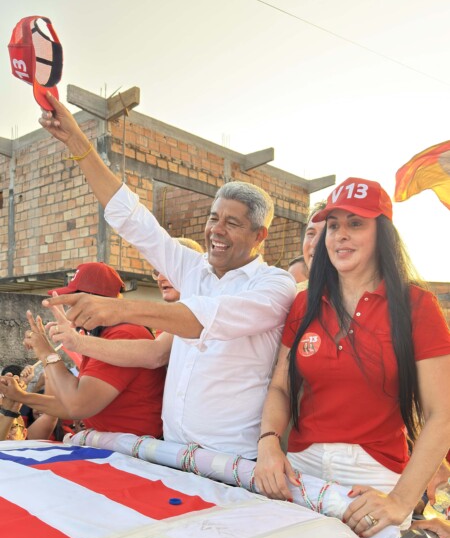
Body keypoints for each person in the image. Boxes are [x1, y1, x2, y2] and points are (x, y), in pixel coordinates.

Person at [39, 95, 296, 458]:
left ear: (259, 236)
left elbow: (202, 319)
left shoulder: (274, 286)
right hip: (173, 453)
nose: (216, 231)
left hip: (234, 460)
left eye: (232, 223)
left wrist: (120, 311)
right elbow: (134, 220)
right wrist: (80, 144)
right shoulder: (193, 268)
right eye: (213, 218)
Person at [254, 177, 450, 538]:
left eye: (355, 223)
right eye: (333, 225)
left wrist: (401, 500)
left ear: (382, 234)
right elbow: (280, 387)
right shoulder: (303, 304)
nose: (340, 235)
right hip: (302, 469)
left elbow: (442, 414)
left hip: (374, 477)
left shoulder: (417, 307)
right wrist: (268, 444)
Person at [0, 262, 166, 437]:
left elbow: (76, 405)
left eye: (73, 302)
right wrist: (20, 397)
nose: (70, 312)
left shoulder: (124, 334)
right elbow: (67, 404)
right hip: (117, 444)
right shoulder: (103, 336)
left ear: (94, 300)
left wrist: (46, 353)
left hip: (133, 452)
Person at [46, 238, 204, 371]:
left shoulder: (127, 332)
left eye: (168, 268)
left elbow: (156, 354)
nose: (161, 277)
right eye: (157, 270)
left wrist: (62, 348)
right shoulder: (163, 322)